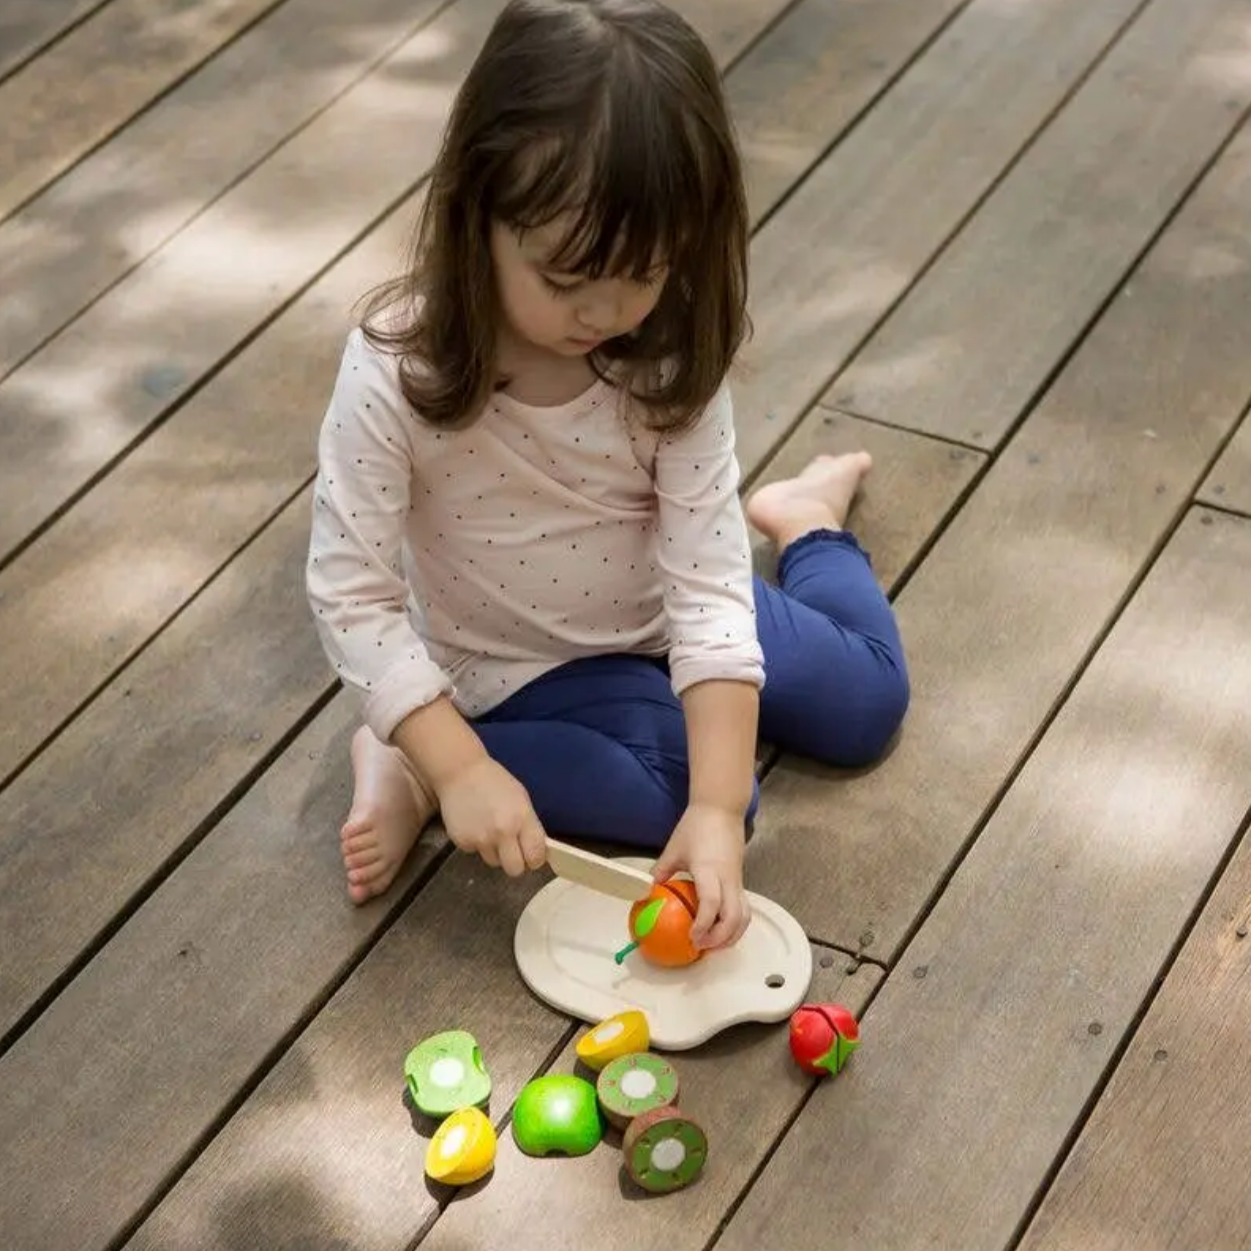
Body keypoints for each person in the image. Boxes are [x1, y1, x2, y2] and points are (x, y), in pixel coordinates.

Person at [306, 0, 909, 954]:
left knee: (865, 701)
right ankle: (407, 758)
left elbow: (708, 588)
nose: (603, 309)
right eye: (562, 275)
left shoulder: (660, 362)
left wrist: (712, 813)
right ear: (477, 211)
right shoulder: (396, 372)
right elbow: (353, 595)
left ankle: (805, 521)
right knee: (702, 788)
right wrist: (459, 765)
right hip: (515, 667)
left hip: (662, 612)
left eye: (642, 272)